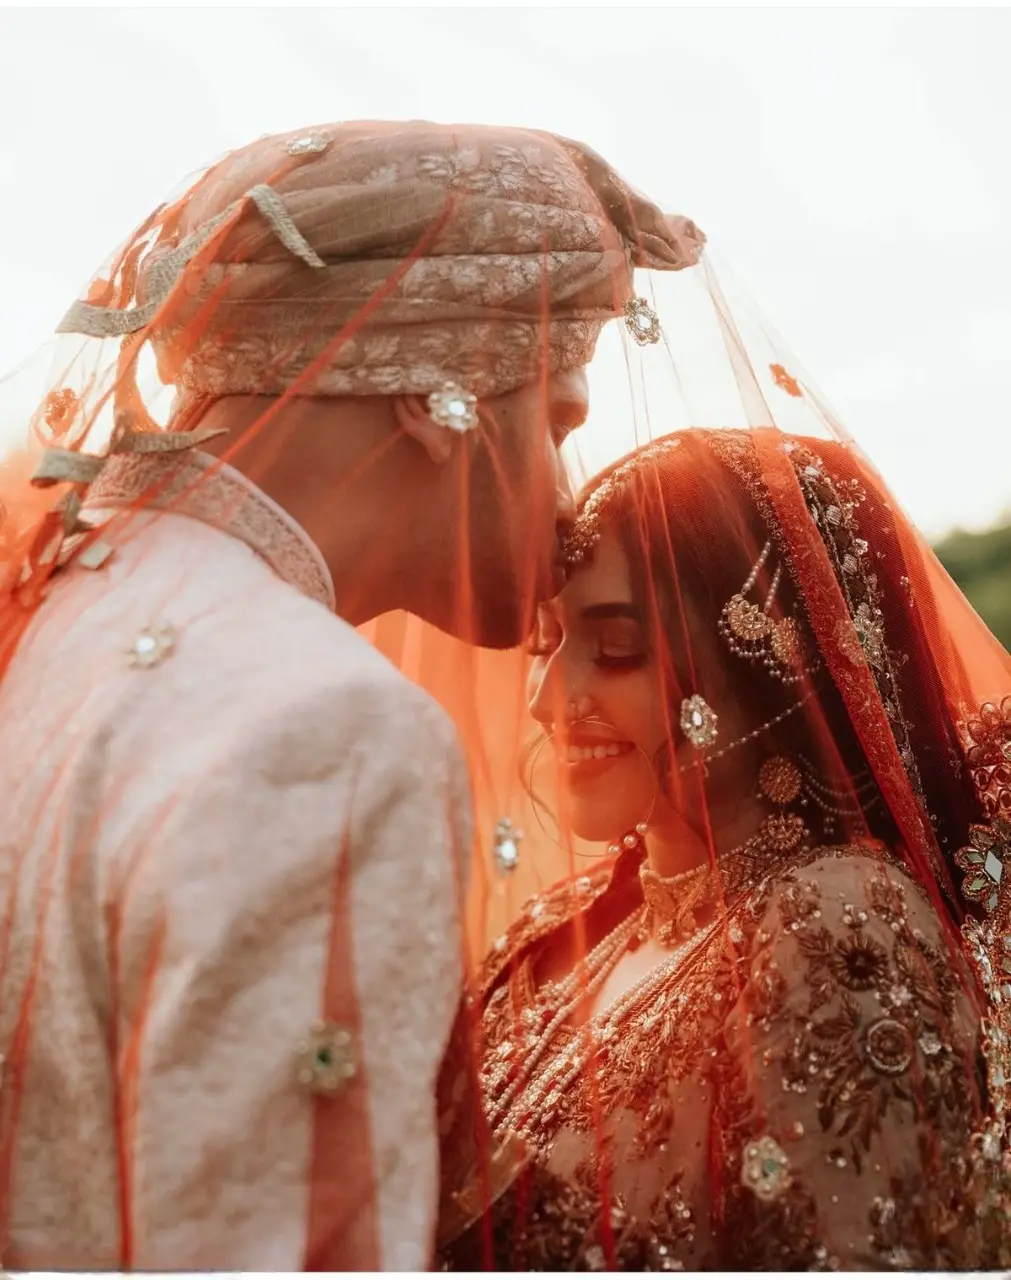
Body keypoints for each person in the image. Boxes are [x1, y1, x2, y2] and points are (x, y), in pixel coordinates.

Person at [0, 122, 703, 1269]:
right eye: (562, 419)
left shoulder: (49, 609)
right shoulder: (327, 726)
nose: (569, 500)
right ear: (436, 391)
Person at [438, 427, 1011, 1270]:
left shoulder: (835, 921)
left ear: (777, 663)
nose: (549, 699)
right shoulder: (564, 929)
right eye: (545, 643)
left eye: (618, 650)